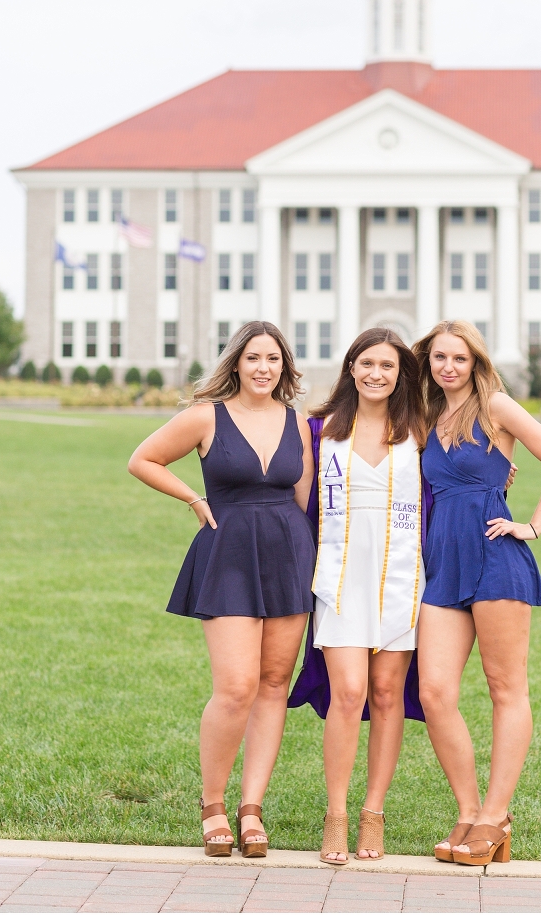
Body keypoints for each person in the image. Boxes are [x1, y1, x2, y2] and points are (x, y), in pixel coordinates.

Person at [127, 322, 315, 858]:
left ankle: (251, 807)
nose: (263, 367)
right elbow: (143, 459)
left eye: (273, 359)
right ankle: (213, 804)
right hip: (228, 552)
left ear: (284, 367)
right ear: (235, 362)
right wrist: (191, 497)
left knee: (275, 682)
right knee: (236, 687)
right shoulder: (206, 416)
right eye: (253, 357)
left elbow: (303, 497)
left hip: (287, 554)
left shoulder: (295, 423)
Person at [414, 320, 541, 867]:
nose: (448, 367)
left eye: (459, 358)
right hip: (442, 564)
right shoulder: (426, 416)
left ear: (476, 362)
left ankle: (496, 816)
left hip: (493, 556)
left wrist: (531, 526)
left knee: (506, 688)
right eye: (439, 357)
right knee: (434, 692)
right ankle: (467, 810)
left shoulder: (497, 407)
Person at [289, 328, 428, 863]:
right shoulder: (320, 431)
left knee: (388, 693)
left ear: (400, 376)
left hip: (402, 577)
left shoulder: (420, 430)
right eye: (367, 363)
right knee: (349, 693)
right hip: (339, 576)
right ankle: (337, 813)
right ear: (351, 368)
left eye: (387, 366)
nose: (376, 374)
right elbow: (295, 496)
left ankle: (374, 813)